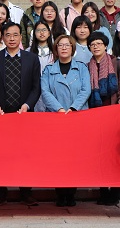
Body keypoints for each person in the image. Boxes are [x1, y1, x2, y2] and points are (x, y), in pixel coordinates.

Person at [0, 22, 41, 206]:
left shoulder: (32, 59)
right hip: (1, 115)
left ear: (21, 37)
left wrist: (27, 105)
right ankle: (1, 192)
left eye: (15, 35)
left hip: (24, 115)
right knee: (0, 155)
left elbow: (36, 87)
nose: (12, 38)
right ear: (3, 37)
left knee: (25, 154)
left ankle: (26, 192)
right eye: (8, 35)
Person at [41, 35, 91, 207]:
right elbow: (45, 92)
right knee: (58, 157)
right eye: (60, 45)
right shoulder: (49, 70)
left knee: (74, 157)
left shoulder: (82, 68)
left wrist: (74, 108)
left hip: (76, 117)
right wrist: (59, 109)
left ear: (72, 48)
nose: (63, 48)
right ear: (56, 48)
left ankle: (71, 193)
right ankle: (60, 193)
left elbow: (86, 90)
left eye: (67, 45)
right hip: (56, 118)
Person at [86, 31, 120, 206]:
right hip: (96, 117)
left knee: (114, 153)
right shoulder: (87, 66)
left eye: (99, 43)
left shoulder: (117, 63)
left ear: (106, 46)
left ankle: (114, 192)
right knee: (99, 155)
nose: (96, 47)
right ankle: (102, 191)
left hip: (114, 117)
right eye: (92, 44)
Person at [28, 21, 54, 112]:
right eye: (38, 30)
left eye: (44, 30)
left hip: (52, 89)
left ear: (49, 33)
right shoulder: (28, 52)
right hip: (34, 89)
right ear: (34, 34)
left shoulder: (55, 52)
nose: (41, 33)